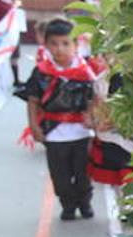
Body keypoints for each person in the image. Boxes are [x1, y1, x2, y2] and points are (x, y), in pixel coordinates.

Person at [20, 19, 100, 221]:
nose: (60, 49)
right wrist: (34, 126)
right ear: (46, 45)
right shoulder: (41, 72)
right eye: (54, 43)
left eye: (66, 43)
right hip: (54, 134)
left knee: (84, 174)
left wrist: (93, 118)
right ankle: (68, 205)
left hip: (82, 133)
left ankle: (84, 202)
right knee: (60, 176)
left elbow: (95, 99)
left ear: (76, 45)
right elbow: (33, 100)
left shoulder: (85, 72)